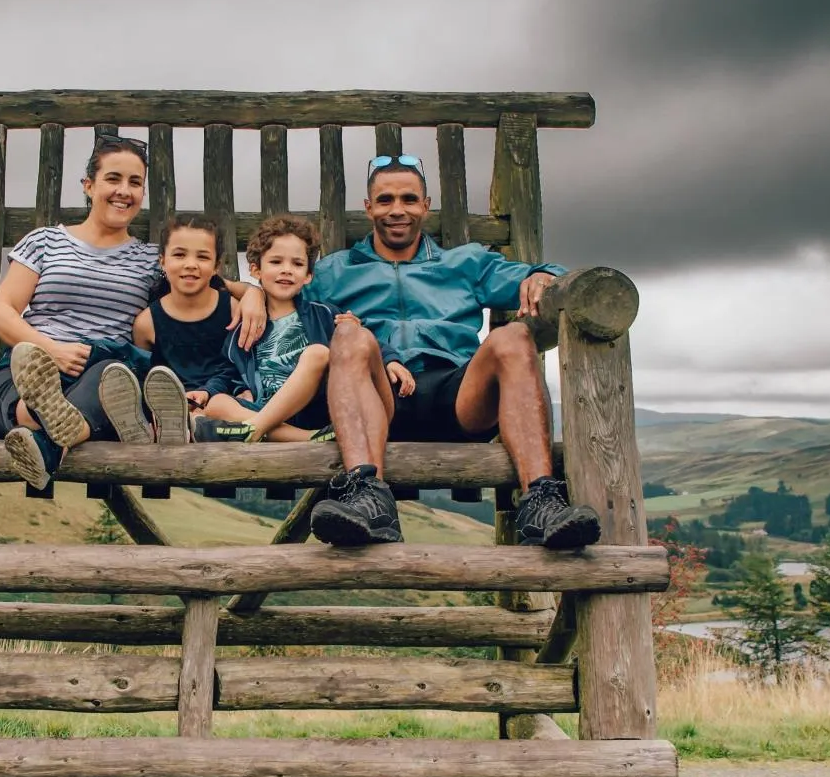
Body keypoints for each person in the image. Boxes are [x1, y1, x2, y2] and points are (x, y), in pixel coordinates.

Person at [296, 153, 603, 549]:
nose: (397, 210)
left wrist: (544, 276)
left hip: (456, 397)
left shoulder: (465, 263)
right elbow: (280, 303)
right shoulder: (332, 272)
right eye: (385, 200)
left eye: (408, 199)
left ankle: (541, 502)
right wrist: (248, 299)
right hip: (375, 398)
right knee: (351, 336)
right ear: (368, 208)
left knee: (514, 337)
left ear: (425, 206)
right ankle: (367, 496)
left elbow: (542, 276)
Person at [0, 134, 264, 487]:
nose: (123, 191)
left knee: (111, 379)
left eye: (134, 182)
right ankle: (54, 420)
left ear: (142, 193)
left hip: (105, 369)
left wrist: (252, 294)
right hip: (34, 362)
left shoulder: (149, 259)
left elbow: (206, 279)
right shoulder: (45, 242)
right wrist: (52, 350)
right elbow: (0, 313)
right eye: (113, 179)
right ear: (88, 185)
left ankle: (47, 436)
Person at [190, 214, 393, 443]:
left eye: (297, 264)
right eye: (276, 262)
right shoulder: (244, 324)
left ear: (308, 276)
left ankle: (255, 429)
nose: (286, 270)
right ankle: (305, 438)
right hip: (265, 408)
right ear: (256, 270)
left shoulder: (323, 314)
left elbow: (364, 342)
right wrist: (207, 391)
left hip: (313, 407)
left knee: (318, 353)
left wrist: (391, 360)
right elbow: (228, 371)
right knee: (218, 404)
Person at [131, 215, 240, 445]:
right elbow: (147, 375)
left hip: (224, 404)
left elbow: (235, 366)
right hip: (170, 412)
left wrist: (208, 392)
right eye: (179, 255)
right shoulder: (147, 323)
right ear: (162, 261)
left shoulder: (232, 309)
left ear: (216, 267)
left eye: (202, 256)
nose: (190, 264)